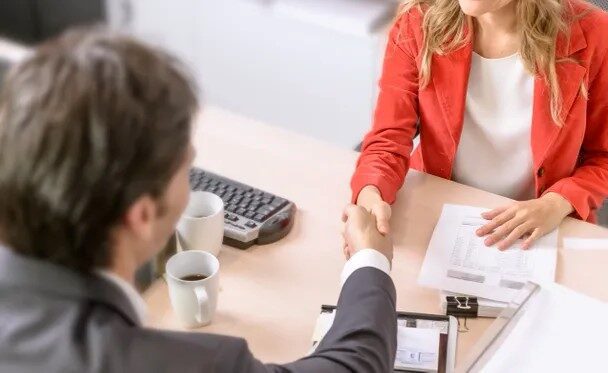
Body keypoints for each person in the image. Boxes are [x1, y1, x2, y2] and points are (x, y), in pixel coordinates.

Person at [0, 29, 397, 372]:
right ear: (141, 214)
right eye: (186, 169)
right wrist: (370, 261)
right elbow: (354, 364)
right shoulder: (194, 365)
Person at [352, 0, 608, 250]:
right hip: (438, 213)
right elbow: (388, 139)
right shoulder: (416, 23)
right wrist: (371, 192)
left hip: (542, 229)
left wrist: (556, 203)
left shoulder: (597, 33)